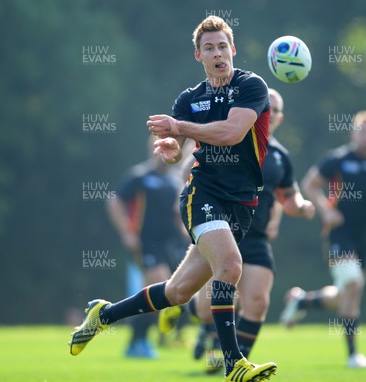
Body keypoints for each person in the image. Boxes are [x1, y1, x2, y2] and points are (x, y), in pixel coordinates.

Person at [70, 15, 278, 382]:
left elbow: (231, 132)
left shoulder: (251, 86)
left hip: (242, 204)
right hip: (203, 194)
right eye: (209, 48)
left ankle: (102, 315)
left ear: (234, 49)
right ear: (197, 55)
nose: (217, 53)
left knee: (179, 292)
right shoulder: (189, 99)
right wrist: (169, 147)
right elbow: (174, 151)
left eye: (222, 46)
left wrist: (178, 130)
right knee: (229, 266)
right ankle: (235, 365)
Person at [158, 88, 315, 374]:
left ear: (278, 117)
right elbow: (188, 174)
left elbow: (290, 199)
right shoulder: (231, 140)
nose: (269, 110)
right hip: (220, 229)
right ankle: (184, 308)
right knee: (206, 307)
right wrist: (189, 218)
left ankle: (233, 363)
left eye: (274, 108)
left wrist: (304, 207)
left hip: (255, 238)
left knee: (257, 302)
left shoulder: (280, 156)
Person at [279, 110, 366, 368]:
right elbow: (310, 183)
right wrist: (327, 210)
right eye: (361, 131)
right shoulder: (338, 159)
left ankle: (302, 301)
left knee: (345, 296)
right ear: (353, 133)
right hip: (338, 234)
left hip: (363, 238)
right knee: (353, 284)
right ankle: (353, 354)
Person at [106, 137, 188, 358]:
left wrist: (186, 230)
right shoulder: (139, 176)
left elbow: (176, 214)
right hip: (146, 243)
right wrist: (126, 232)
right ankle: (137, 343)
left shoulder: (174, 180)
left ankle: (140, 341)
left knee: (169, 294)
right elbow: (115, 201)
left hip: (171, 245)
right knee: (158, 284)